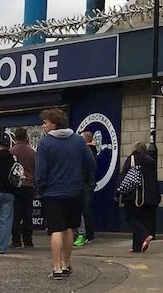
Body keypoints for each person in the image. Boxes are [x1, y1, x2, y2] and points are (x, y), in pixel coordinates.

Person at [34, 109, 95, 279]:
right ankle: (67, 265)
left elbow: (41, 170)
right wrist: (85, 181)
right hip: (75, 191)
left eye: (45, 122)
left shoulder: (45, 143)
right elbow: (90, 163)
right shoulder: (78, 140)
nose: (43, 126)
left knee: (55, 229)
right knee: (69, 228)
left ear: (54, 124)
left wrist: (40, 188)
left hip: (52, 192)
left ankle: (56, 268)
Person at [119, 142, 160, 254]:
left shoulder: (132, 158)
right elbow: (155, 179)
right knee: (139, 219)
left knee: (130, 218)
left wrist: (116, 192)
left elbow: (123, 174)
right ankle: (137, 247)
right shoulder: (151, 161)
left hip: (134, 195)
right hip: (148, 197)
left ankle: (145, 235)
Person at [9, 128, 36, 248]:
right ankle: (28, 240)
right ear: (26, 137)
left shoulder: (11, 152)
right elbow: (36, 168)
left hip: (15, 186)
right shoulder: (32, 152)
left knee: (15, 214)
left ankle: (16, 240)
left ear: (15, 137)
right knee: (27, 214)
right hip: (29, 185)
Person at [73, 131, 99, 248]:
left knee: (84, 209)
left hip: (84, 183)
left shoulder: (87, 151)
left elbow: (85, 167)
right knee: (85, 209)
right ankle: (88, 234)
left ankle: (86, 234)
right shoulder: (92, 151)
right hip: (88, 183)